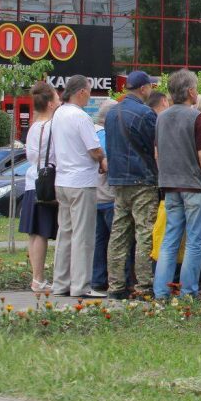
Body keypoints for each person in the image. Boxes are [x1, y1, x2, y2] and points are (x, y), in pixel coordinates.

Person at [153, 69, 201, 300]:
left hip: (170, 186)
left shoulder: (161, 117)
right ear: (191, 91)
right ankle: (188, 291)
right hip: (194, 187)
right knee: (194, 242)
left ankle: (161, 292)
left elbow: (158, 153)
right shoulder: (196, 118)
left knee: (170, 240)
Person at [50, 76, 107, 299]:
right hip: (82, 181)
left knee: (65, 233)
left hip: (62, 180)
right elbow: (94, 149)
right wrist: (101, 159)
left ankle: (60, 282)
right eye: (89, 91)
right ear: (81, 92)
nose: (90, 96)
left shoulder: (59, 114)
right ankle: (80, 285)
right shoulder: (81, 117)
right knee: (83, 235)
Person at [104, 71, 159, 300]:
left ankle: (115, 285)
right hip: (142, 180)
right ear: (144, 88)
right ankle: (144, 284)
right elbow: (155, 146)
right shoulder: (146, 113)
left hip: (118, 181)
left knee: (118, 233)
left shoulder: (110, 113)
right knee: (144, 232)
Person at [19, 81, 60, 292]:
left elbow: (31, 156)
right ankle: (38, 279)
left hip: (31, 180)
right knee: (42, 232)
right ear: (51, 103)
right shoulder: (52, 126)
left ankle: (37, 278)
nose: (60, 100)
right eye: (57, 97)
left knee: (34, 233)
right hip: (46, 182)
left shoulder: (34, 127)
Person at [91, 99, 117, 293]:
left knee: (98, 241)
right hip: (108, 195)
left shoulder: (91, 133)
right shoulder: (106, 136)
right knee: (114, 240)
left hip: (94, 196)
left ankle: (97, 279)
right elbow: (106, 164)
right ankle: (115, 279)